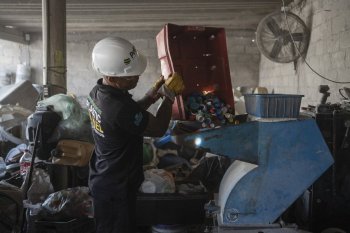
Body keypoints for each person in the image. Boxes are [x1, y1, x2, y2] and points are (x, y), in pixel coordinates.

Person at [87, 36, 184, 233]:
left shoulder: (99, 91)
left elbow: (131, 115)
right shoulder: (118, 107)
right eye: (130, 75)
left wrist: (152, 95)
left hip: (105, 177)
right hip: (116, 187)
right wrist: (168, 97)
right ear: (112, 78)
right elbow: (157, 129)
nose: (137, 77)